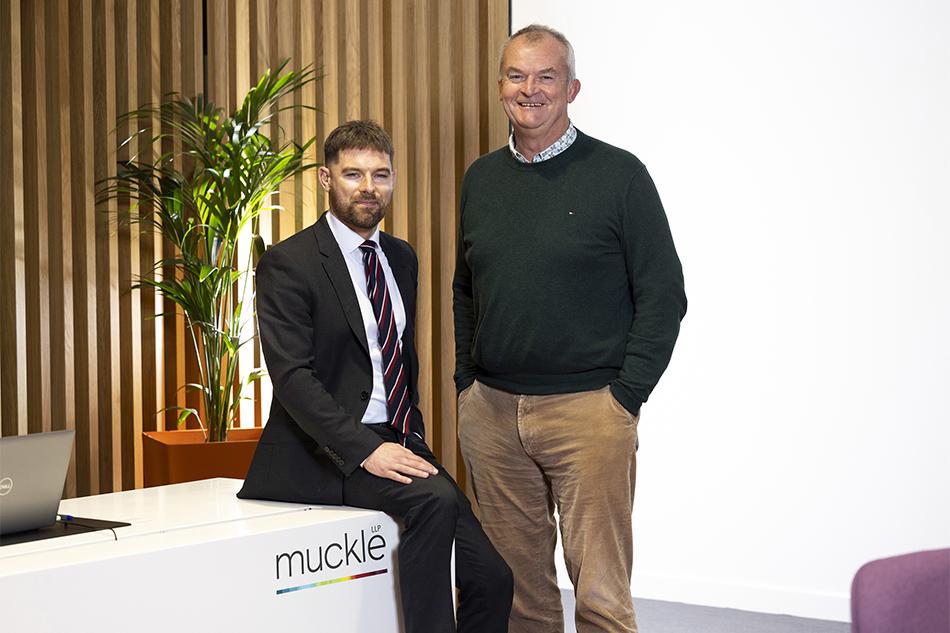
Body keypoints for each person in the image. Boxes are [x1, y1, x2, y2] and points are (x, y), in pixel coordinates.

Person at [453, 24, 687, 633]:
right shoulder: (480, 179)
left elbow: (664, 294)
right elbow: (466, 288)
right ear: (500, 85)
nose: (530, 89)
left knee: (602, 600)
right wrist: (467, 384)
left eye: (546, 76)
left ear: (572, 88)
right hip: (494, 416)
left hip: (589, 413)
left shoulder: (620, 175)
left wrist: (624, 397)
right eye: (516, 75)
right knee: (518, 598)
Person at [240, 120, 512, 633]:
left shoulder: (401, 257)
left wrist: (409, 440)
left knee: (492, 578)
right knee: (432, 503)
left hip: (399, 439)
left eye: (381, 175)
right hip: (324, 449)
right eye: (353, 174)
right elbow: (294, 379)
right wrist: (367, 449)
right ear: (326, 180)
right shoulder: (289, 263)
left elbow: (399, 360)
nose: (369, 187)